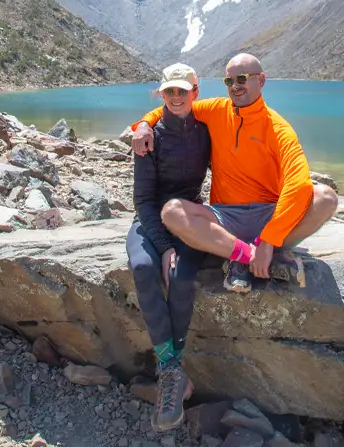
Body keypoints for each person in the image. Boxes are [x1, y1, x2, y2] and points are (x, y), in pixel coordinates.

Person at [130, 53, 339, 294]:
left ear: (261, 81)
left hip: (268, 214)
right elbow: (174, 107)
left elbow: (299, 183)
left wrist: (269, 238)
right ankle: (249, 255)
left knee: (325, 197)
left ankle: (259, 252)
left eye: (241, 79)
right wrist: (144, 124)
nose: (235, 87)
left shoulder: (278, 127)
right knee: (172, 212)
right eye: (229, 81)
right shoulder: (215, 110)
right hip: (225, 217)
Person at [126, 63, 211, 432]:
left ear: (195, 91)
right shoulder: (148, 137)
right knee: (144, 269)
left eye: (182, 91)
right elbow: (143, 199)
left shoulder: (208, 130)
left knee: (181, 277)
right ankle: (171, 369)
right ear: (162, 95)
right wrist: (162, 247)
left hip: (189, 215)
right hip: (149, 220)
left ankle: (171, 374)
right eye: (168, 92)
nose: (175, 97)